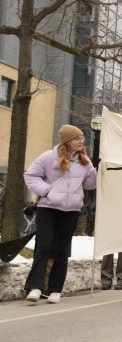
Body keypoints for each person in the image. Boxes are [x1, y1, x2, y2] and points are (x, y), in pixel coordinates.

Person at [23, 125, 97, 304]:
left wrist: (95, 172)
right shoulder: (48, 157)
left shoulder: (85, 161)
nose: (81, 141)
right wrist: (48, 191)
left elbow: (89, 186)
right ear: (67, 141)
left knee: (62, 249)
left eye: (82, 139)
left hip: (70, 210)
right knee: (44, 246)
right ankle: (35, 287)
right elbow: (30, 175)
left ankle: (55, 289)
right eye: (77, 138)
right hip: (48, 208)